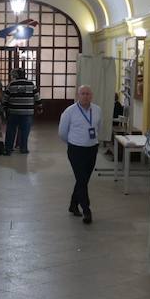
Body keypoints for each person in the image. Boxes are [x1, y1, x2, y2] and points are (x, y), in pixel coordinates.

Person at [58, 85, 101, 224]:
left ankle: (73, 205)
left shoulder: (97, 110)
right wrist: (72, 142)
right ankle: (86, 210)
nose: (85, 96)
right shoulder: (69, 112)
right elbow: (62, 133)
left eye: (88, 93)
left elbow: (98, 127)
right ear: (78, 95)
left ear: (91, 95)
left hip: (92, 148)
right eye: (83, 93)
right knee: (82, 179)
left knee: (83, 180)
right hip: (76, 149)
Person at [4, 70, 39, 154]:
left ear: (16, 75)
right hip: (27, 112)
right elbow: (37, 97)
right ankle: (23, 149)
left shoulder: (11, 84)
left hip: (13, 111)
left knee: (11, 130)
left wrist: (5, 107)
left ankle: (8, 149)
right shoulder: (31, 84)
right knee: (25, 131)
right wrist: (40, 107)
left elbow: (5, 97)